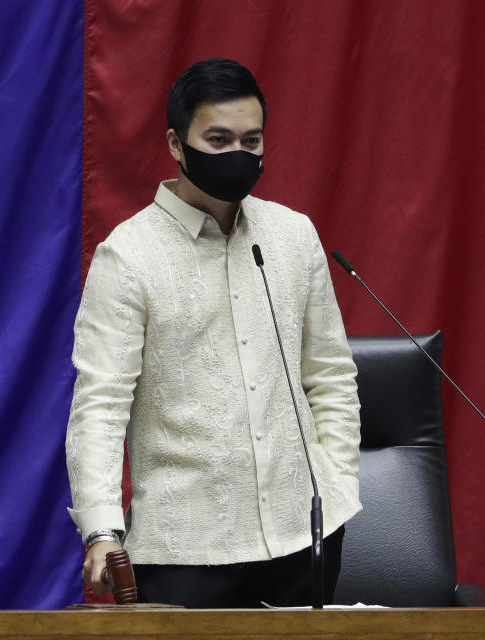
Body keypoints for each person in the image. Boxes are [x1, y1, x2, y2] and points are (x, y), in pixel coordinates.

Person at [65, 58, 361, 608]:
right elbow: (101, 405)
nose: (237, 155)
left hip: (305, 539)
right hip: (184, 552)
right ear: (177, 144)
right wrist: (102, 531)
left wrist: (337, 480)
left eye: (251, 141)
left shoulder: (294, 236)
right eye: (218, 139)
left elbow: (330, 374)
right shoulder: (128, 256)